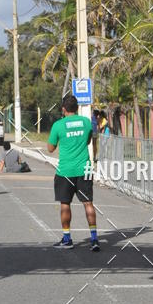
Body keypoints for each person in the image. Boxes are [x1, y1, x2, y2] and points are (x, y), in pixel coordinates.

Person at [47, 94, 98, 252]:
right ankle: (94, 239)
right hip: (85, 169)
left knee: (65, 204)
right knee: (88, 203)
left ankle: (67, 239)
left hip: (65, 171)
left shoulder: (58, 125)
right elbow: (88, 141)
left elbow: (50, 148)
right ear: (76, 108)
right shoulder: (86, 122)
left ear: (63, 109)